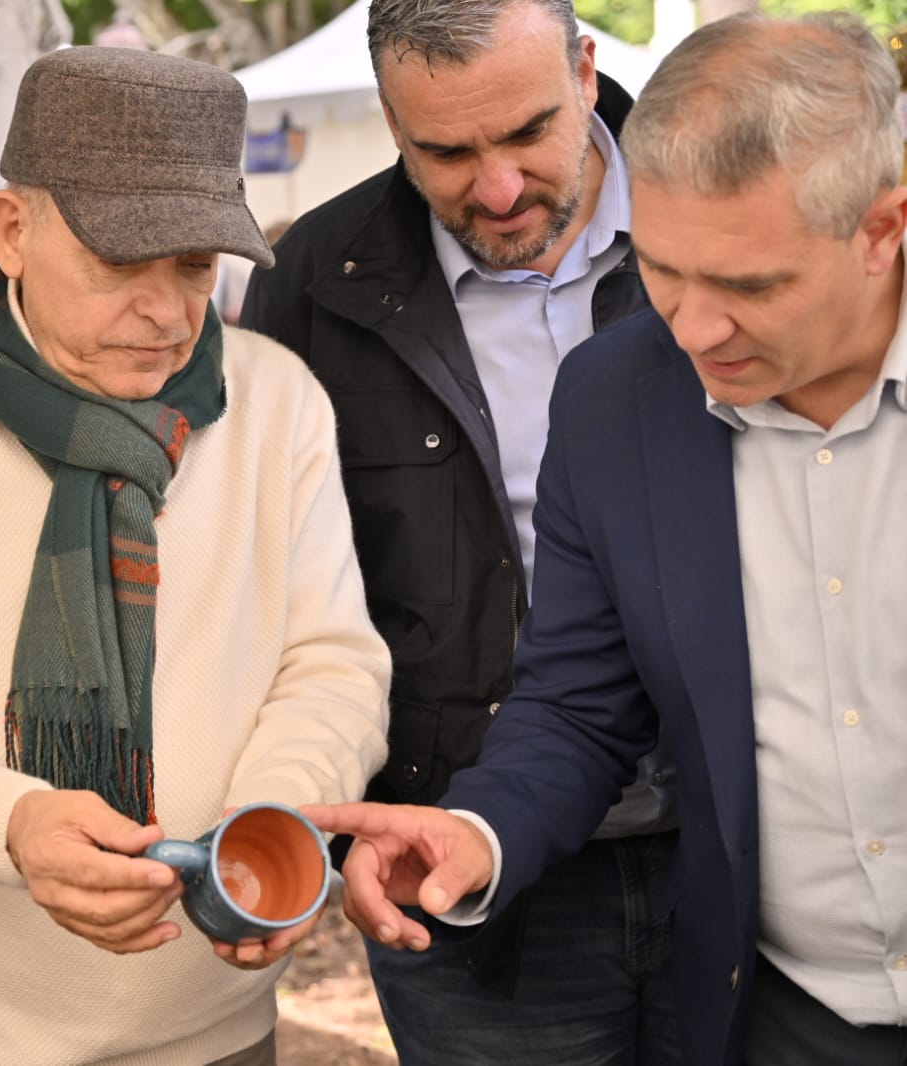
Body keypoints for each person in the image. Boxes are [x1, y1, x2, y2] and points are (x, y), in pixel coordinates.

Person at [307, 11, 907, 1066]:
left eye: (751, 287)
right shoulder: (618, 392)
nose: (693, 329)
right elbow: (581, 698)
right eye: (667, 272)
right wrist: (478, 830)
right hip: (784, 1015)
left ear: (883, 227)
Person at [0, 45, 392, 1066]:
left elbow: (332, 662)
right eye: (121, 263)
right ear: (12, 231)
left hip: (216, 1015)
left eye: (197, 265)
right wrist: (13, 824)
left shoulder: (277, 397)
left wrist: (268, 824)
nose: (166, 310)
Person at [240, 0, 675, 1060]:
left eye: (526, 132)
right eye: (446, 151)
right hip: (461, 866)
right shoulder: (315, 279)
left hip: (733, 845)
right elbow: (272, 586)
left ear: (583, 71)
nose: (496, 187)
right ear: (392, 124)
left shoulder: (711, 211)